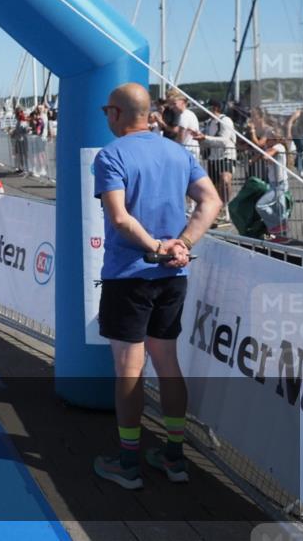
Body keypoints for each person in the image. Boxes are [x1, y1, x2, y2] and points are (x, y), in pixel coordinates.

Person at [92, 83, 221, 490]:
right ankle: (174, 457)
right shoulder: (177, 151)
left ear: (115, 113)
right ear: (148, 114)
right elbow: (211, 201)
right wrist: (180, 245)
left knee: (129, 368)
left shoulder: (111, 155)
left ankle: (128, 464)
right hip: (171, 277)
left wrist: (158, 248)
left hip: (131, 275)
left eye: (105, 111)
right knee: (167, 362)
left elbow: (119, 218)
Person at [194, 100, 237, 225]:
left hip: (226, 155)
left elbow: (225, 139)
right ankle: (218, 211)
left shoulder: (226, 120)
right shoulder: (208, 123)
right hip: (213, 157)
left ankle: (226, 208)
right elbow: (208, 140)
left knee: (225, 180)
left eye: (209, 107)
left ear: (216, 107)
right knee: (214, 186)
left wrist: (205, 138)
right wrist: (200, 138)